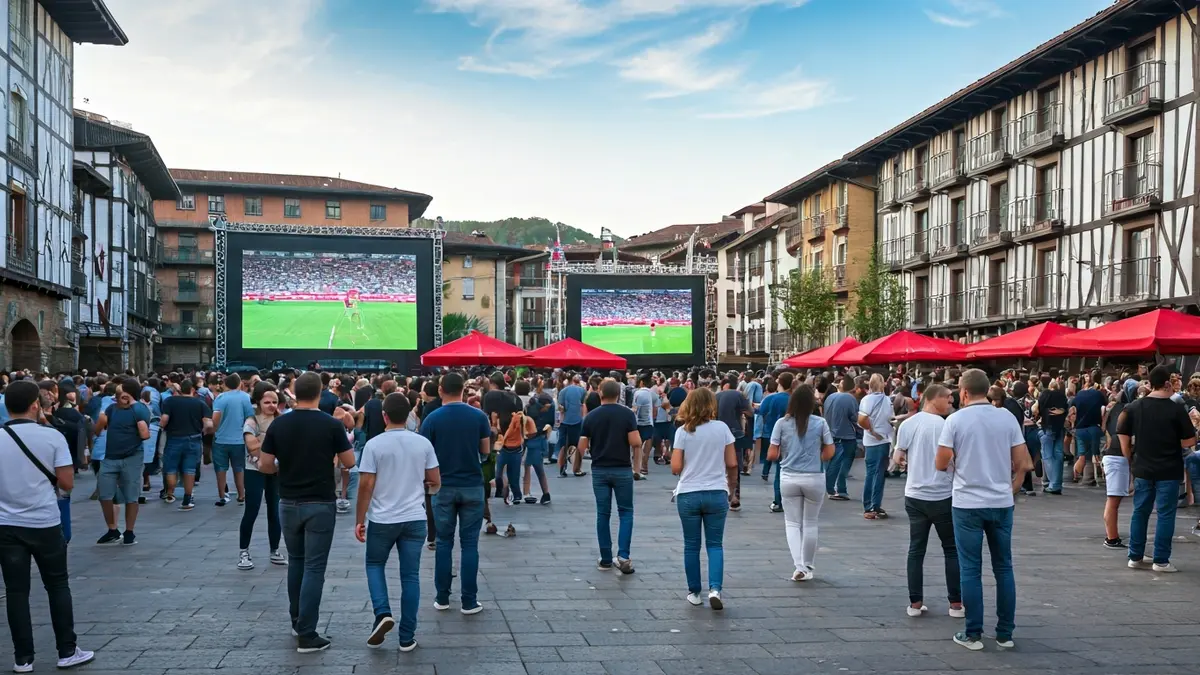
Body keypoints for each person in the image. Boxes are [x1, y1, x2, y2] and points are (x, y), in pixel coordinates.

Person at [257, 372, 356, 653]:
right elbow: (349, 461)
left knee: (297, 561)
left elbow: (265, 465)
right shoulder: (331, 424)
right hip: (320, 502)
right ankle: (307, 632)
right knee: (314, 566)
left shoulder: (279, 424)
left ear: (294, 393)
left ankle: (296, 619)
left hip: (288, 500)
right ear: (320, 392)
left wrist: (283, 468)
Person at [0, 380, 94, 671]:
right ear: (35, 405)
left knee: (16, 592)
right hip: (43, 521)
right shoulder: (51, 437)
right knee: (57, 584)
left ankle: (22, 658)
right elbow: (66, 483)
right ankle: (66, 650)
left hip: (6, 524)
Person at [935, 369, 1032, 651]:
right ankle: (1005, 633)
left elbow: (941, 462)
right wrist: (1011, 487)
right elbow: (1023, 462)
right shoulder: (1006, 417)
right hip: (1001, 502)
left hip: (967, 503)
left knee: (970, 568)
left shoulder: (955, 420)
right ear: (988, 391)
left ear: (964, 392)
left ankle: (973, 632)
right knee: (1004, 567)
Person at [355, 393, 440, 652]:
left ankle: (382, 613)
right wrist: (424, 485)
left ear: (384, 416)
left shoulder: (374, 445)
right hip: (415, 517)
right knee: (410, 576)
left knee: (374, 564)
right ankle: (407, 637)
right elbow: (435, 481)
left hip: (382, 518)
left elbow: (366, 484)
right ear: (409, 415)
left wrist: (360, 519)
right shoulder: (422, 443)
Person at [419, 372, 491, 614]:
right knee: (470, 544)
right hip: (472, 485)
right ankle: (469, 601)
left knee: (443, 543)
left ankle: (442, 598)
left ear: (441, 390)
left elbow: (424, 455)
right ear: (464, 390)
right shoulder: (478, 416)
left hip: (442, 487)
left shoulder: (431, 418)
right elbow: (486, 451)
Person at [893, 384, 963, 620]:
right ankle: (955, 603)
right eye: (948, 399)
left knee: (916, 549)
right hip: (942, 493)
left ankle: (915, 602)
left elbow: (898, 456)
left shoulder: (908, 424)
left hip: (914, 494)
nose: (951, 403)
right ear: (935, 399)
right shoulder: (946, 425)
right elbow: (953, 459)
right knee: (951, 549)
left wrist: (907, 463)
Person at [1118, 365, 1197, 573]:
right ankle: (1161, 560)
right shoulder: (1176, 409)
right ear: (1168, 384)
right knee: (1165, 514)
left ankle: (1135, 555)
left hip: (1143, 466)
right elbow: (1190, 440)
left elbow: (1122, 430)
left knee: (1140, 511)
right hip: (1169, 469)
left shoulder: (1135, 407)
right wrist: (1172, 442)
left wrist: (1129, 456)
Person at [670, 387, 737, 609]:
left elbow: (676, 467)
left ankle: (694, 592)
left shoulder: (683, 431)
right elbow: (732, 463)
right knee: (715, 544)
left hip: (688, 492)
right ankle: (715, 589)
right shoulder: (722, 428)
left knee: (691, 545)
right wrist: (732, 488)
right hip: (717, 491)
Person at [769, 384, 835, 582]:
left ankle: (798, 565)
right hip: (814, 476)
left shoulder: (782, 423)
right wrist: (816, 456)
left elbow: (772, 454)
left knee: (792, 523)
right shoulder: (820, 423)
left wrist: (787, 455)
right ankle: (808, 564)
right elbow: (830, 451)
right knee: (810, 523)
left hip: (789, 477)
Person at [579, 379, 640, 574]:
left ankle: (605, 557)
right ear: (618, 394)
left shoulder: (591, 417)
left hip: (599, 469)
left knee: (603, 513)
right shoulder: (627, 414)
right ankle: (623, 555)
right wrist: (637, 467)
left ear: (599, 393)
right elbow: (636, 442)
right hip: (622, 468)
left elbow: (581, 447)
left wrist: (579, 461)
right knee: (626, 512)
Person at [93, 379, 151, 546]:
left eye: (119, 391)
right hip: (110, 457)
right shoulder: (112, 408)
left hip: (131, 457)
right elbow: (100, 426)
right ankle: (112, 529)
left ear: (127, 392)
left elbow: (145, 434)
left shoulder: (139, 409)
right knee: (104, 494)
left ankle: (129, 531)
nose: (116, 394)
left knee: (132, 495)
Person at [239, 383, 286, 570]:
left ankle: (275, 550)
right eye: (267, 402)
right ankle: (244, 551)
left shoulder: (281, 420)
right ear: (258, 402)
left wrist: (263, 439)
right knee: (252, 510)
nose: (272, 405)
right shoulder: (252, 421)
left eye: (275, 401)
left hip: (275, 470)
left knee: (275, 511)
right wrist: (272, 437)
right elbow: (251, 446)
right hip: (254, 470)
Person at [159, 379, 211, 510]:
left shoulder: (170, 401)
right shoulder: (200, 403)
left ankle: (170, 493)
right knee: (190, 469)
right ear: (193, 390)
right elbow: (208, 424)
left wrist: (161, 428)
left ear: (180, 390)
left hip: (174, 438)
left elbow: (164, 419)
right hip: (193, 439)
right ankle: (188, 499)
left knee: (170, 468)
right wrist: (203, 432)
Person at [212, 373, 254, 506]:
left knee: (220, 469)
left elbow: (216, 417)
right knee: (239, 468)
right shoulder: (246, 397)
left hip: (221, 439)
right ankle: (241, 494)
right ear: (239, 383)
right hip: (239, 440)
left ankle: (222, 495)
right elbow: (250, 417)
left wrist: (214, 429)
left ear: (226, 384)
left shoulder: (220, 398)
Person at [858, 374, 893, 519]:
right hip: (882, 439)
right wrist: (874, 431)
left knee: (872, 472)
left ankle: (870, 505)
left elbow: (862, 419)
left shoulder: (867, 399)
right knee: (878, 474)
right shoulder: (887, 400)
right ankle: (873, 505)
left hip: (873, 441)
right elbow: (863, 419)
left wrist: (871, 431)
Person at [758, 373, 793, 511]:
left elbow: (761, 411)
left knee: (779, 469)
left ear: (780, 383)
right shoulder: (793, 399)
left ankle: (778, 500)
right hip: (791, 436)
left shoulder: (772, 398)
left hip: (772, 433)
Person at [715, 377, 751, 510]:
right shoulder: (739, 395)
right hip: (735, 433)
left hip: (717, 432)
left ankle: (722, 494)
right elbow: (750, 412)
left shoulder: (716, 396)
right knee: (734, 464)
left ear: (725, 385)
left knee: (719, 464)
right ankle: (735, 496)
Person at [823, 376, 859, 502]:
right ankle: (840, 489)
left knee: (831, 462)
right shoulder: (850, 399)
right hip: (846, 435)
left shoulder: (830, 397)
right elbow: (855, 418)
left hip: (830, 434)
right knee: (844, 462)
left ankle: (829, 487)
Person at [1071, 372, 1106, 487]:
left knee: (1082, 456)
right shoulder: (1098, 394)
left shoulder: (1079, 395)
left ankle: (1075, 475)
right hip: (1094, 427)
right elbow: (1105, 406)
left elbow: (1073, 409)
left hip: (1080, 428)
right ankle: (1100, 478)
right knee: (1096, 454)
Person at [1035, 378, 1068, 494]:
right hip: (1059, 428)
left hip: (1047, 426)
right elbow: (1066, 411)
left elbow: (1036, 409)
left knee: (1048, 456)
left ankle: (1053, 484)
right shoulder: (1063, 397)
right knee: (1058, 456)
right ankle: (1057, 484)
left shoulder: (1045, 394)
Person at [556, 375, 587, 477]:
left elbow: (560, 407)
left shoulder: (562, 392)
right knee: (577, 446)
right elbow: (583, 403)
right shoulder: (582, 391)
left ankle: (562, 469)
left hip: (564, 421)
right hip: (577, 420)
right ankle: (576, 469)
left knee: (563, 446)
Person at [632, 374, 657, 478]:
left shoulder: (638, 393)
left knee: (636, 447)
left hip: (638, 423)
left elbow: (635, 409)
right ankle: (644, 467)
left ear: (641, 382)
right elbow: (656, 409)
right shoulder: (653, 394)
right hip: (649, 422)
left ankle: (635, 468)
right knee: (647, 445)